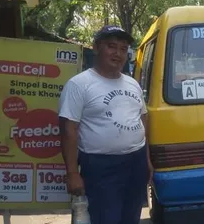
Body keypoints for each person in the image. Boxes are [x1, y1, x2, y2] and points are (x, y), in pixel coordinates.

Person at [58, 26, 153, 224]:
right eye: (111, 47)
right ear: (96, 48)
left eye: (123, 49)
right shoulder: (79, 84)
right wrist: (73, 173)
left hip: (136, 162)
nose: (118, 53)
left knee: (131, 216)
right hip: (100, 166)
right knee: (105, 218)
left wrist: (147, 160)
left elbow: (143, 120)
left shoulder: (132, 84)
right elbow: (69, 130)